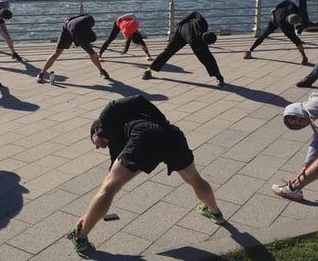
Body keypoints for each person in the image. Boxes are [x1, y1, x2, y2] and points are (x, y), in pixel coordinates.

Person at [67, 95, 225, 257]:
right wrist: (89, 215)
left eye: (94, 143)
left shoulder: (107, 115)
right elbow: (111, 175)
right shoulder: (116, 142)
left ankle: (80, 237)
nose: (98, 147)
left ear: (95, 131)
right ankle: (215, 213)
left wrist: (160, 119)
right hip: (172, 135)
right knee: (193, 178)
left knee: (110, 188)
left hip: (147, 134)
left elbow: (138, 98)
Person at [142, 11, 225, 86]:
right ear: (204, 42)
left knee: (206, 56)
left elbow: (195, 13)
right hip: (181, 33)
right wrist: (184, 22)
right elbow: (205, 57)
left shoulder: (203, 22)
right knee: (169, 52)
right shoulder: (194, 41)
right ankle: (149, 71)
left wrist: (185, 19)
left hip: (185, 27)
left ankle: (218, 76)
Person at [36, 14, 109, 83]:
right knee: (57, 53)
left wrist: (91, 51)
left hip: (72, 24)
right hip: (66, 30)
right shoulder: (79, 37)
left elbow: (79, 16)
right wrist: (92, 52)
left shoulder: (90, 19)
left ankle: (102, 71)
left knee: (91, 53)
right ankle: (41, 73)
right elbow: (86, 47)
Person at [243, 0, 309, 65]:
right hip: (274, 21)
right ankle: (250, 50)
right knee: (264, 35)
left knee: (295, 39)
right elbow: (290, 35)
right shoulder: (282, 22)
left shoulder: (294, 8)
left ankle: (304, 57)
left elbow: (287, 1)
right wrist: (296, 40)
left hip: (282, 16)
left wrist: (277, 7)